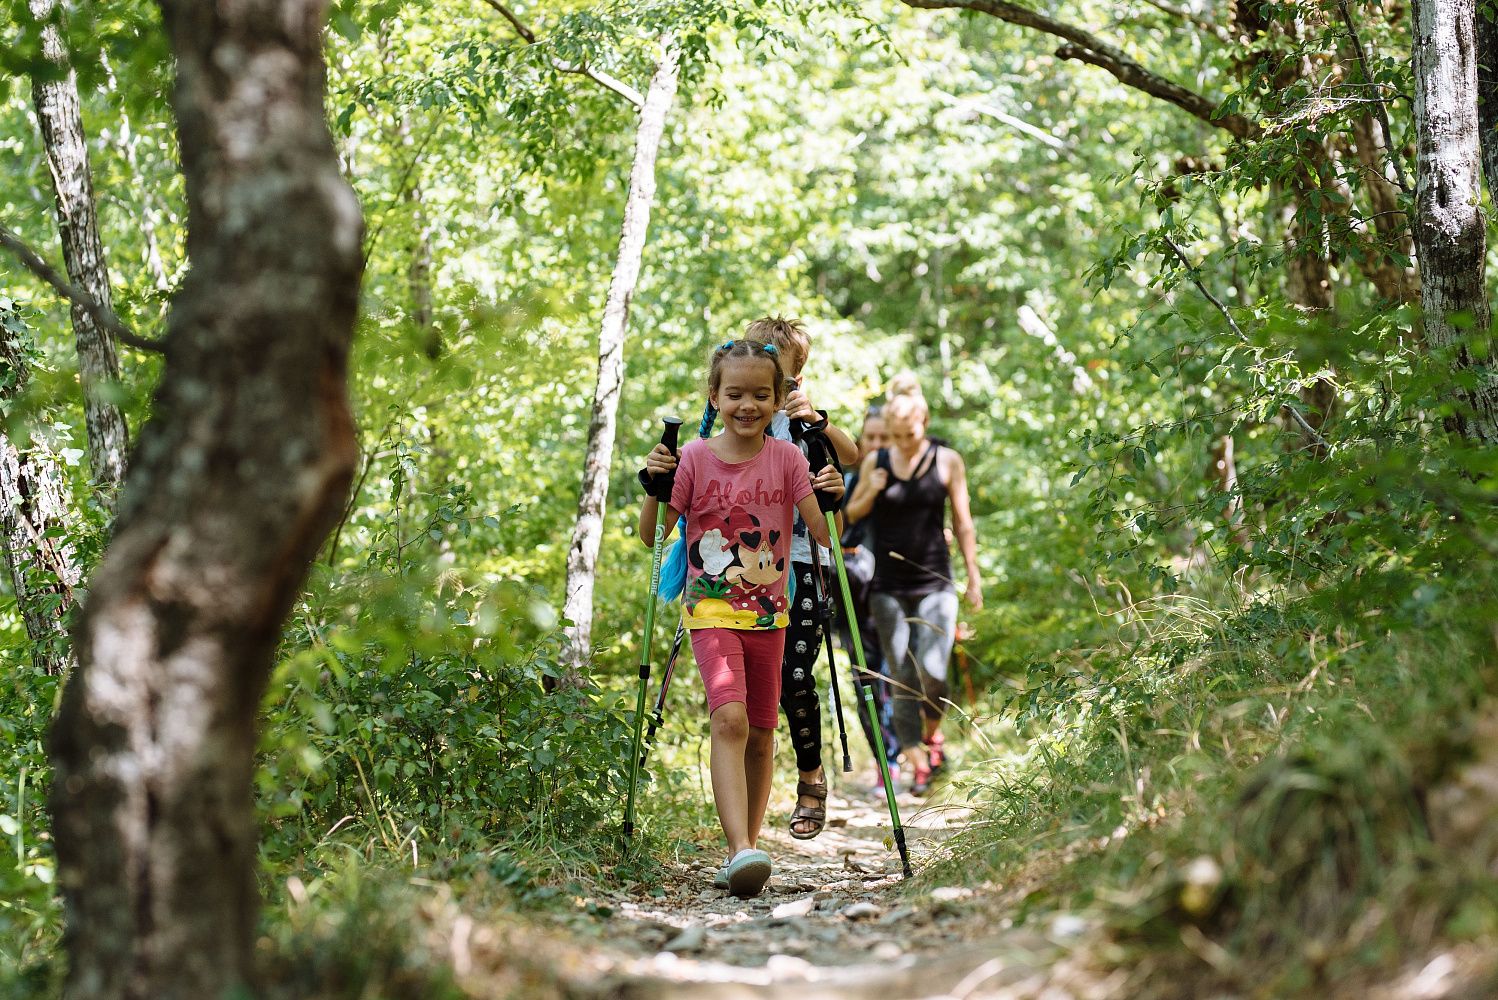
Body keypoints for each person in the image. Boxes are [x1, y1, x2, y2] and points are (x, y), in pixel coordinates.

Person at [639, 338, 844, 897]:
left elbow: (826, 539)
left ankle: (749, 848)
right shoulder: (696, 458)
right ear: (714, 396)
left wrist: (834, 497)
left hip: (770, 613)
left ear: (779, 400)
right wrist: (655, 487)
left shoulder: (790, 459)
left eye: (760, 394)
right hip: (710, 609)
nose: (747, 405)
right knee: (728, 719)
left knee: (760, 732)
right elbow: (654, 537)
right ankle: (739, 848)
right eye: (735, 394)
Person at [742, 316, 859, 840]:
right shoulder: (740, 414)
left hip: (807, 559)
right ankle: (746, 800)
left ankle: (811, 777)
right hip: (747, 562)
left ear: (796, 374)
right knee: (750, 684)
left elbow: (852, 456)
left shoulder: (808, 422)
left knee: (794, 673)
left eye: (779, 371)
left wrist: (817, 422)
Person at [844, 373, 981, 795]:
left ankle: (931, 735)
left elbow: (962, 522)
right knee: (902, 675)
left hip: (936, 582)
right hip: (888, 586)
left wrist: (973, 578)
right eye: (895, 435)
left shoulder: (947, 460)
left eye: (908, 434)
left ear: (923, 422)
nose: (901, 442)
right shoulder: (876, 462)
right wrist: (872, 488)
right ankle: (912, 755)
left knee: (933, 671)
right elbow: (850, 514)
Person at [839, 405, 901, 789]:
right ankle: (886, 761)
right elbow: (837, 530)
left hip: (899, 595)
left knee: (900, 677)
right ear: (861, 443)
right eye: (871, 438)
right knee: (866, 678)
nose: (877, 445)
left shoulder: (908, 481)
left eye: (885, 438)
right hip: (856, 597)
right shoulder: (844, 483)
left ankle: (922, 746)